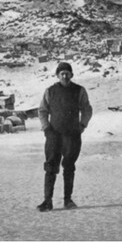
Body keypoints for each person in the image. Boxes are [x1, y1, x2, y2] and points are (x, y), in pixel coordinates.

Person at [36, 62, 93, 212]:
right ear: (57, 75)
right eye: (62, 73)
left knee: (69, 167)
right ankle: (47, 201)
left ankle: (68, 200)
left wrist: (82, 125)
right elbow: (42, 111)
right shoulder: (50, 91)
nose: (65, 76)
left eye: (67, 73)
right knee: (50, 167)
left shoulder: (79, 91)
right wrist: (46, 128)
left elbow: (87, 109)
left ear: (72, 75)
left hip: (72, 136)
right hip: (54, 136)